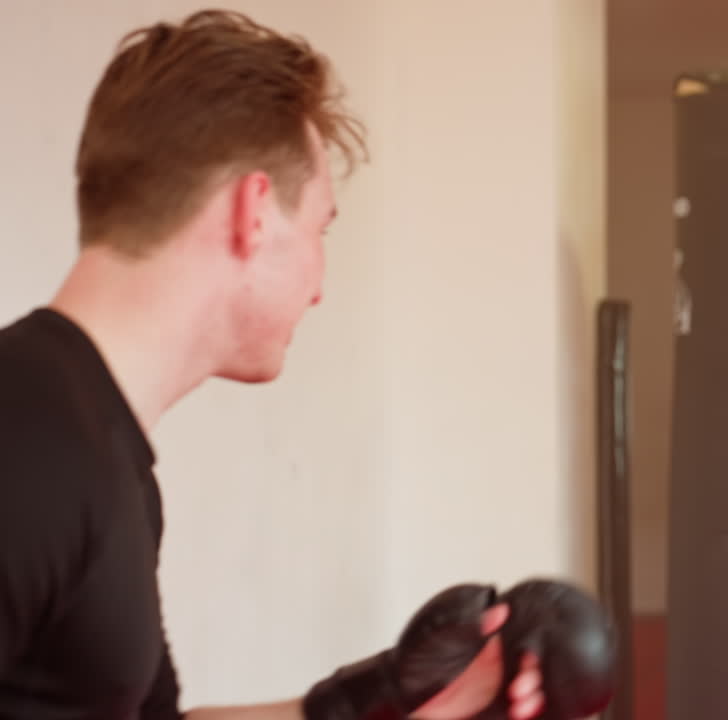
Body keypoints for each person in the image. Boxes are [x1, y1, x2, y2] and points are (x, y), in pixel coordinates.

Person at [0, 9, 614, 720]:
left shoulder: (104, 460)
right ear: (254, 212)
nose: (320, 285)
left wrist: (378, 699)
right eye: (320, 227)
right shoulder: (26, 437)